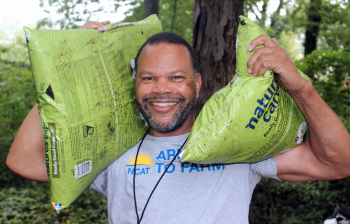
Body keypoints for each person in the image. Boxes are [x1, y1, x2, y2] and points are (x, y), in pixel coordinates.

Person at [6, 21, 350, 224]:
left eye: (176, 77)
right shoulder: (114, 148)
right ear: (135, 84)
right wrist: (62, 76)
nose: (161, 90)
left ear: (197, 84)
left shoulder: (237, 144)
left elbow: (337, 161)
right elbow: (22, 161)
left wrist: (301, 88)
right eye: (148, 78)